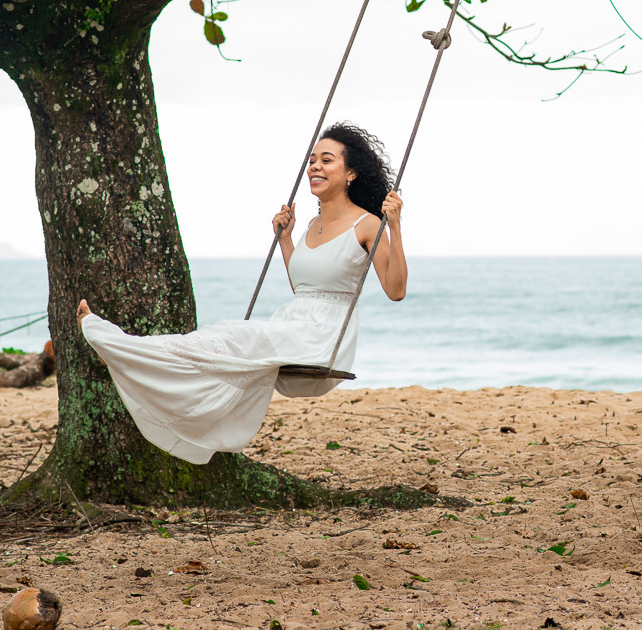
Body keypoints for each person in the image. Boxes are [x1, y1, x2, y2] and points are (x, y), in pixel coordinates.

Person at [77, 122, 407, 465]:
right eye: (312, 161)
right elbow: (306, 289)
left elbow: (396, 290)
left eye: (326, 160)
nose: (315, 168)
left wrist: (395, 227)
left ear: (351, 172)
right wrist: (285, 239)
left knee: (235, 334)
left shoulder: (368, 224)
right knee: (223, 335)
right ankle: (126, 354)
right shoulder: (310, 225)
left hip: (322, 339)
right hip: (294, 324)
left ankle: (122, 350)